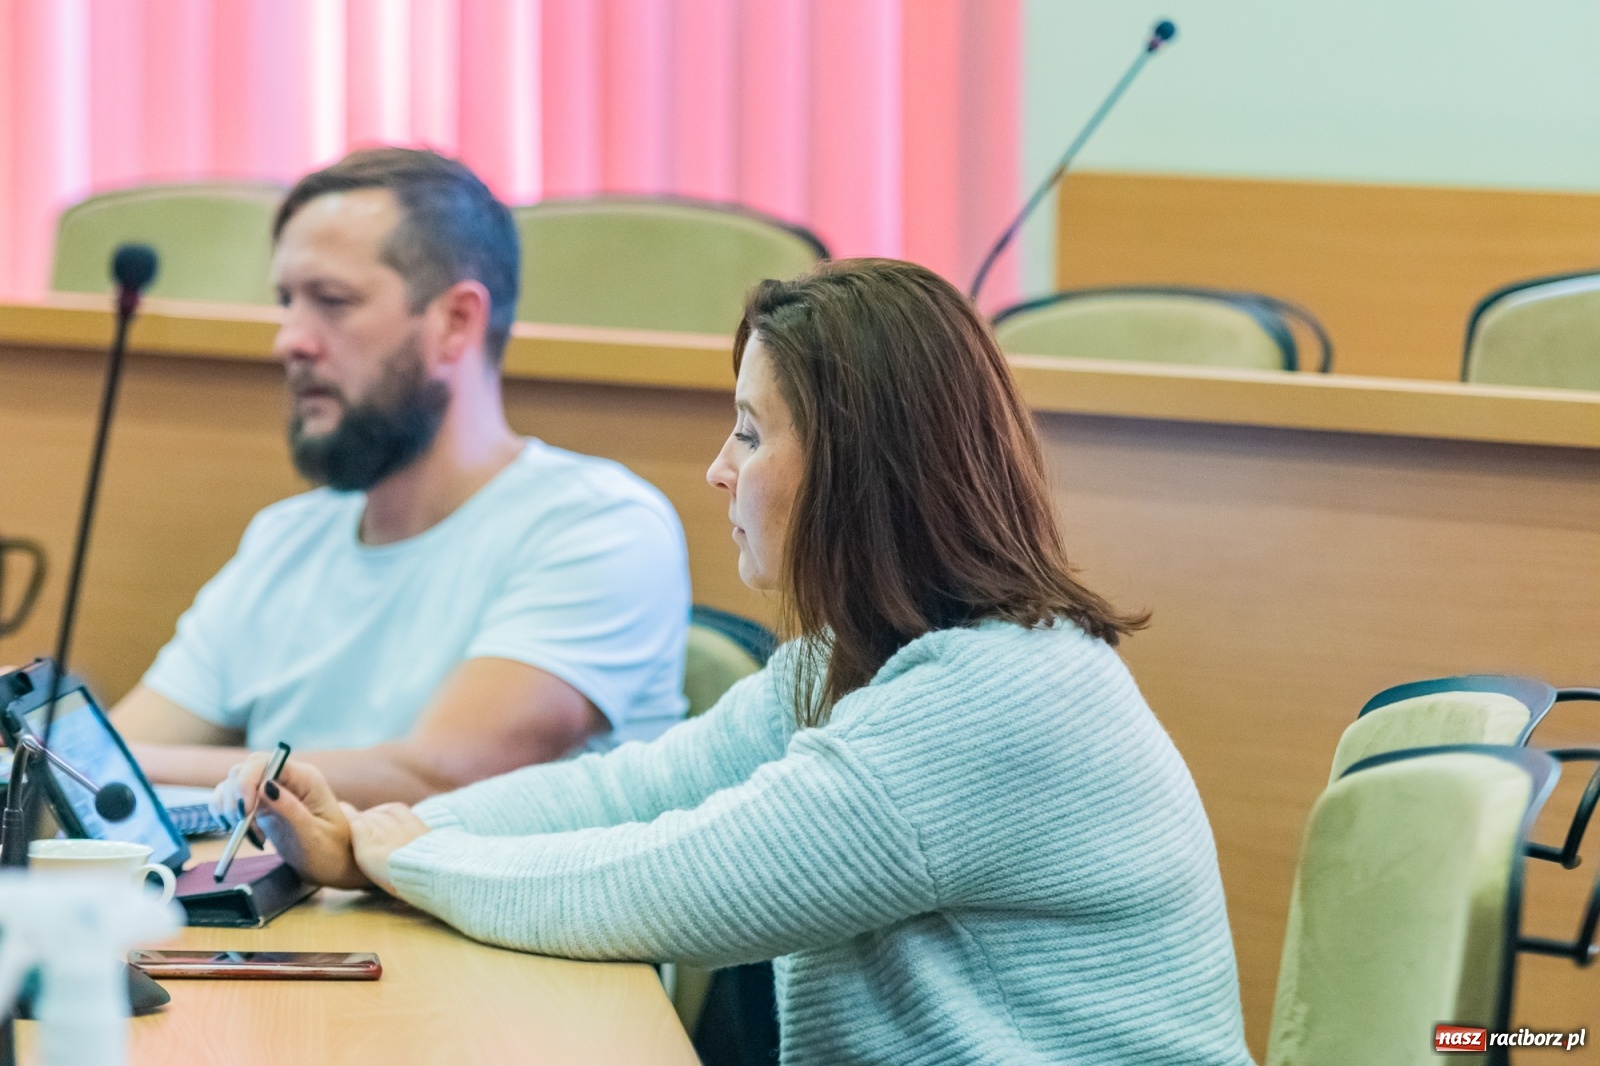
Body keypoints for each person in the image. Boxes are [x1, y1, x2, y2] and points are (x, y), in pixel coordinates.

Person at [239, 259, 1254, 1064]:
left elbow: (670, 881)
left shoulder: (996, 698)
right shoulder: (849, 663)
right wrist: (370, 833)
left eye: (750, 433)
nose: (719, 470)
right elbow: (633, 795)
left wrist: (400, 854)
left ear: (861, 471)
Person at [116, 148, 690, 808]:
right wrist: (55, 755)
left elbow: (443, 775)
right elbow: (109, 764)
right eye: (287, 302)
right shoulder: (285, 540)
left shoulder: (599, 525)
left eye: (332, 301)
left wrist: (106, 762)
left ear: (455, 322)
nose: (290, 341)